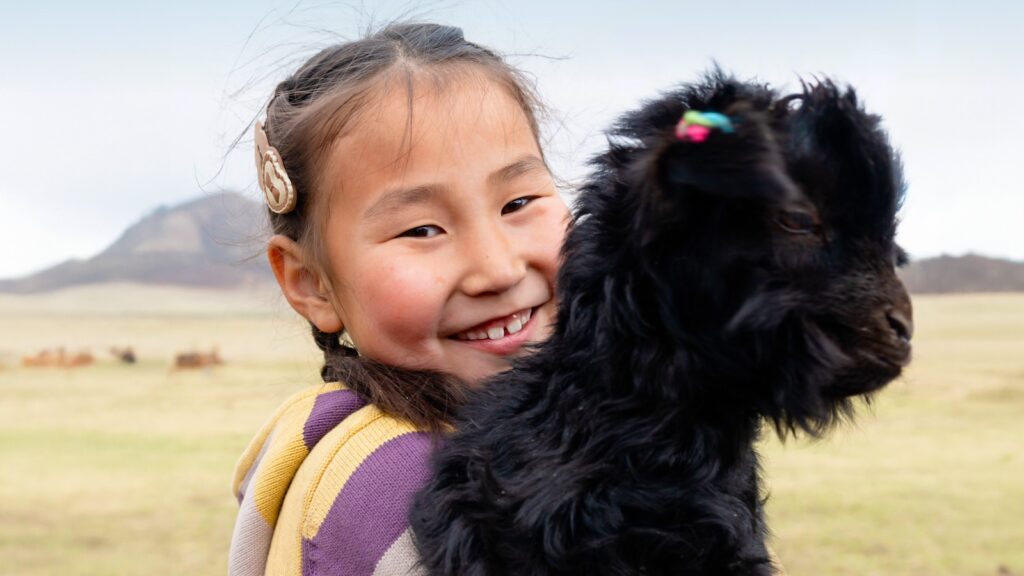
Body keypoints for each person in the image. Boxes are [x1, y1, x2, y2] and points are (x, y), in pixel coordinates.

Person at [227, 21, 572, 576]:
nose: (497, 268)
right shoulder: (416, 490)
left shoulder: (516, 443)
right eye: (421, 230)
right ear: (312, 283)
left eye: (518, 202)